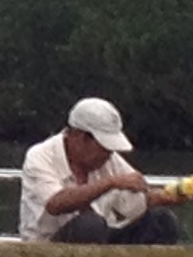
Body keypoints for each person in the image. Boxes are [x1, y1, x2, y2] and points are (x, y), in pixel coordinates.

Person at [19, 97, 184, 245]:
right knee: (89, 226)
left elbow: (138, 198)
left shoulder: (108, 158)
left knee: (162, 221)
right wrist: (109, 183)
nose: (108, 155)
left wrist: (167, 196)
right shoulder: (39, 157)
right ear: (81, 137)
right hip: (49, 244)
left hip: (103, 238)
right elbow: (55, 204)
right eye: (104, 148)